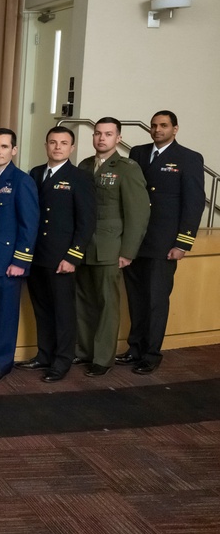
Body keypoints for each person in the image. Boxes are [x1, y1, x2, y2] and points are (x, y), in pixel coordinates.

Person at [120, 111, 205, 374]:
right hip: (136, 240)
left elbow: (194, 203)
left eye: (164, 126)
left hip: (163, 243)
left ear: (175, 129)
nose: (157, 130)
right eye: (154, 126)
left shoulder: (188, 158)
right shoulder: (138, 153)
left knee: (156, 300)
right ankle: (134, 348)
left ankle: (151, 353)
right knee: (135, 298)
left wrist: (183, 243)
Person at [75, 118, 149, 377]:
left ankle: (103, 358)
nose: (101, 138)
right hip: (83, 247)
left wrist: (128, 252)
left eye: (108, 134)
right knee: (83, 301)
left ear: (118, 138)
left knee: (107, 304)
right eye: (97, 133)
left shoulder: (127, 168)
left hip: (110, 247)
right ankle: (84, 351)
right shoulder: (84, 166)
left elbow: (138, 214)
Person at [21, 127, 95, 382]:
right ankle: (44, 355)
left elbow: (86, 221)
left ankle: (62, 360)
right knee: (42, 309)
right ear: (46, 145)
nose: (57, 147)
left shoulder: (80, 177)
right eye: (53, 142)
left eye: (63, 143)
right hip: (37, 255)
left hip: (61, 256)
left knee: (63, 312)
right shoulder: (36, 173)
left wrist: (73, 256)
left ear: (72, 148)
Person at [0, 128, 39, 383]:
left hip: (8, 261)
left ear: (13, 150)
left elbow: (29, 224)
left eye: (3, 146)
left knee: (6, 314)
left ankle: (2, 363)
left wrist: (20, 261)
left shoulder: (22, 180)